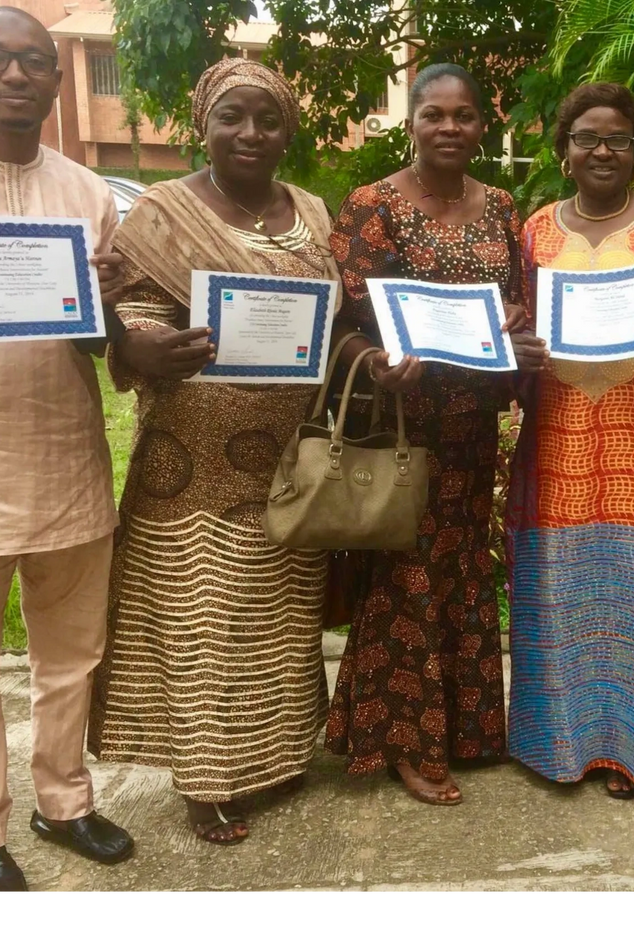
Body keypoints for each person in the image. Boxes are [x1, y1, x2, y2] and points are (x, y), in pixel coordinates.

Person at [88, 59, 340, 846]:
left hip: (288, 463)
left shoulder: (312, 209)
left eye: (268, 119)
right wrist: (144, 345)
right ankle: (209, 783)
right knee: (203, 621)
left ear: (288, 128)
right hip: (190, 462)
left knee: (282, 620)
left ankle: (282, 755)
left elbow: (337, 309)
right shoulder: (164, 210)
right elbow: (126, 309)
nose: (251, 133)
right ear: (203, 120)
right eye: (233, 115)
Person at [506, 83, 634, 798]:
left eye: (617, 140)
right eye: (585, 138)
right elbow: (513, 326)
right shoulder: (535, 230)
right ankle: (554, 748)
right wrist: (521, 351)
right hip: (557, 442)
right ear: (563, 153)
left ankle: (631, 753)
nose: (601, 150)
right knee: (556, 593)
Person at [325, 63, 521, 806]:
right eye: (434, 114)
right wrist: (373, 362)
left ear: (481, 125)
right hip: (402, 424)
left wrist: (517, 327)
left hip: (472, 431)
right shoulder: (373, 205)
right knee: (405, 578)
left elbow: (516, 304)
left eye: (464, 115)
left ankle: (467, 729)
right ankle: (403, 739)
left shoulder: (500, 205)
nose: (449, 127)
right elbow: (340, 323)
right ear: (411, 123)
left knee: (464, 571)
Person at [0, 7, 132, 895]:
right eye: (1, 60)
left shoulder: (91, 194)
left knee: (70, 654)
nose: (17, 76)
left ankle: (64, 800)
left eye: (34, 63)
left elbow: (116, 328)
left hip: (66, 464)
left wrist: (110, 324)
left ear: (57, 81)